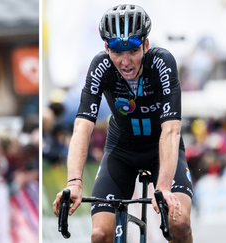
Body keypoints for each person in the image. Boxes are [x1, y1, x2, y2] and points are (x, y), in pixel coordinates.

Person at [53, 4, 193, 243]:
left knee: (178, 224)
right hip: (122, 152)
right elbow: (82, 127)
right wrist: (74, 183)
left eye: (134, 51)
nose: (126, 61)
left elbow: (171, 130)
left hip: (162, 151)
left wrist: (164, 186)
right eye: (117, 52)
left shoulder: (162, 62)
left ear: (146, 46)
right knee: (100, 235)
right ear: (107, 48)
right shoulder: (100, 66)